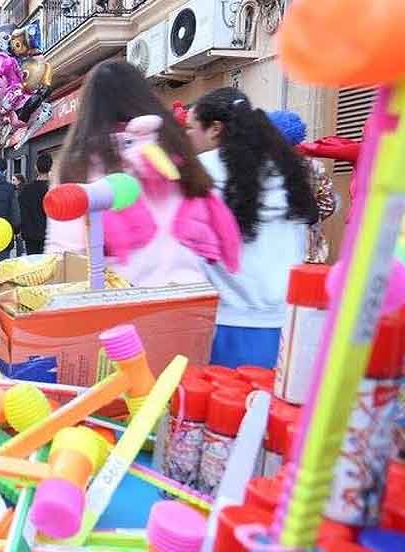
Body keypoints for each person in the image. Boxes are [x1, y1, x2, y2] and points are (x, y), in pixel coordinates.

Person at [46, 60, 218, 288]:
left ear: (88, 109)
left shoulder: (82, 165)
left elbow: (63, 255)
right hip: (191, 298)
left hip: (123, 305)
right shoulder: (178, 154)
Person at [186, 87, 319, 369]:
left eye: (191, 127)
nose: (187, 136)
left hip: (226, 322)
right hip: (288, 324)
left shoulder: (200, 171)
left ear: (215, 129)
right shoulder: (288, 167)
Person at [266, 109, 336, 263]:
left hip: (272, 248)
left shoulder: (262, 168)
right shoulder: (315, 166)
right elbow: (328, 204)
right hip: (308, 248)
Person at [19, 153, 53, 255]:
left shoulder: (27, 189)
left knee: (33, 266)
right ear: (50, 168)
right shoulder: (54, 189)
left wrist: (23, 231)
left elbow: (22, 212)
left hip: (30, 235)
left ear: (36, 168)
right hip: (50, 235)